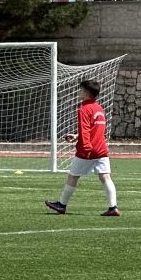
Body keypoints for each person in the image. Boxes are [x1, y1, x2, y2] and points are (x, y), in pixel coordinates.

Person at [45, 79, 119, 217]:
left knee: (73, 176)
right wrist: (77, 136)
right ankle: (113, 207)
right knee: (105, 177)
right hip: (101, 149)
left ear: (85, 92)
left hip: (88, 150)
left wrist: (85, 147)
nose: (79, 92)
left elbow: (85, 130)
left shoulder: (84, 109)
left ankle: (61, 205)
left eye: (81, 90)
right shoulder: (99, 109)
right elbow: (94, 129)